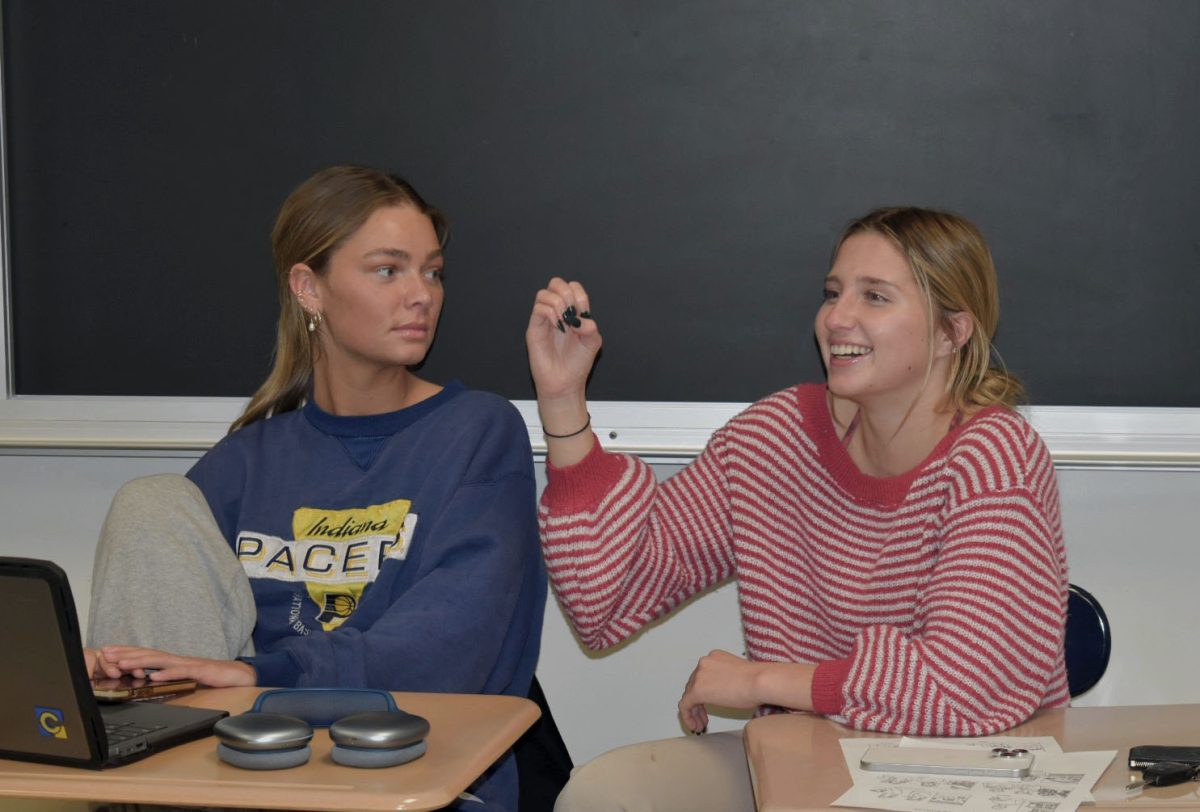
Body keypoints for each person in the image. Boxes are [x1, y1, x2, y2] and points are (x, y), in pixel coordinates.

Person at [525, 207, 1069, 811]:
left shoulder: (996, 456)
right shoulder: (774, 441)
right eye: (833, 293)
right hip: (808, 758)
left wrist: (763, 680)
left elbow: (963, 688)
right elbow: (609, 602)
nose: (837, 318)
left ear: (952, 332)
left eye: (876, 297)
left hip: (971, 771)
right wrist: (563, 401)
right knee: (602, 797)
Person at [85, 165, 546, 812]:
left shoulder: (477, 433)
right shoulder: (247, 461)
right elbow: (174, 636)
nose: (422, 295)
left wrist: (258, 676)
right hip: (252, 774)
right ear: (309, 289)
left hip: (404, 778)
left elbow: (443, 662)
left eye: (432, 271)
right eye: (389, 270)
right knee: (149, 499)